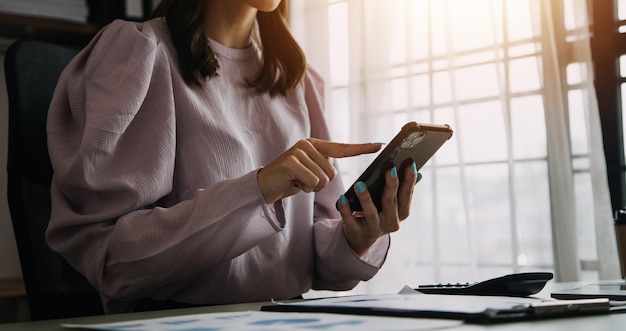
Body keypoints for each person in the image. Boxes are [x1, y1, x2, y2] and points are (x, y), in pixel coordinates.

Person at [45, 0, 420, 314]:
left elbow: (320, 265)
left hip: (286, 318)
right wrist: (258, 190)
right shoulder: (138, 54)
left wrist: (359, 237)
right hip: (172, 322)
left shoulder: (297, 81)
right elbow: (113, 260)